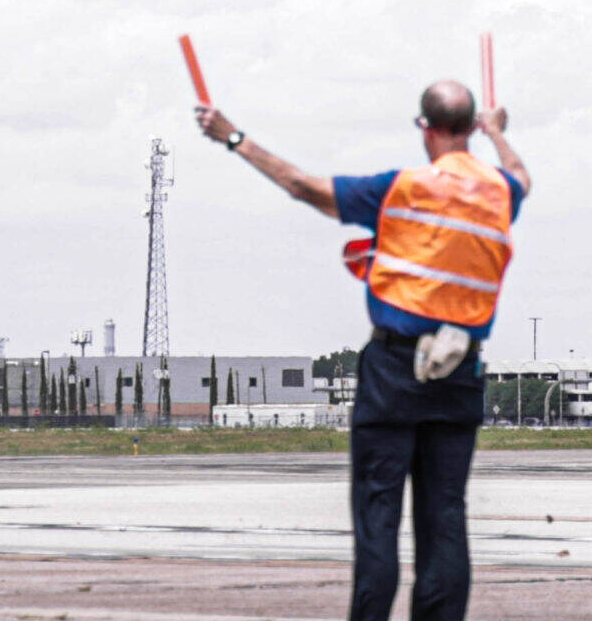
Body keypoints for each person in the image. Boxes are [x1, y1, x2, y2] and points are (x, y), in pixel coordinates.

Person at [197, 78, 530, 621]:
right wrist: (498, 136)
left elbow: (303, 187)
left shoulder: (402, 188)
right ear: (471, 127)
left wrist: (235, 138)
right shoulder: (497, 192)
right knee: (445, 516)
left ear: (424, 128)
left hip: (395, 367)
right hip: (461, 365)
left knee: (378, 514)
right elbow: (522, 177)